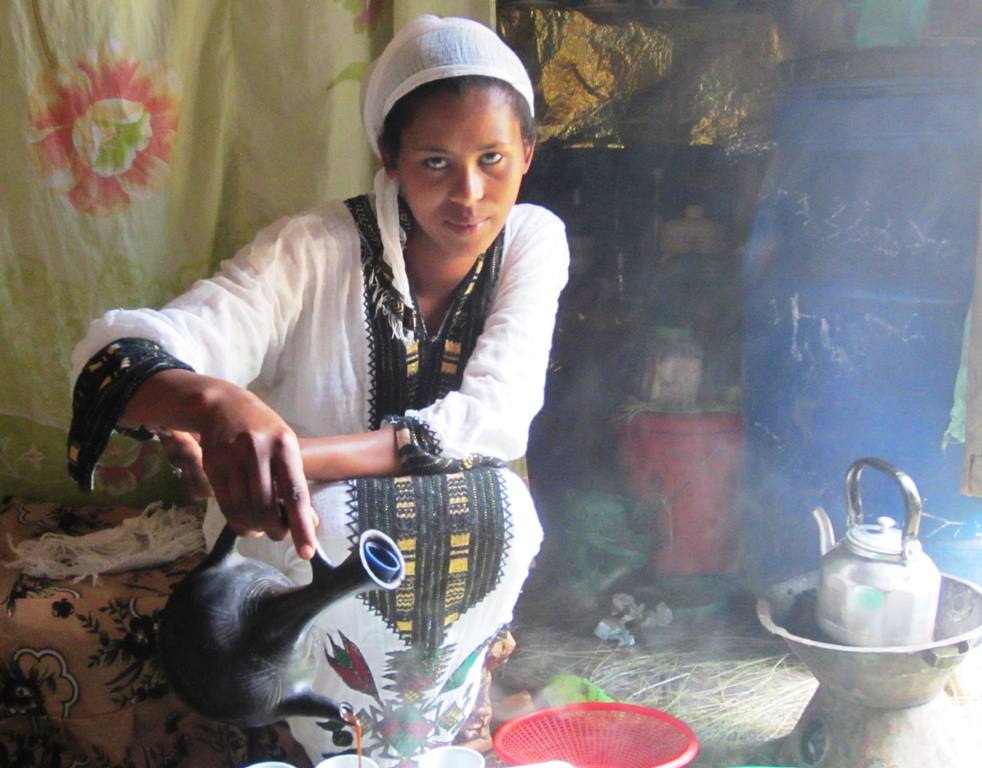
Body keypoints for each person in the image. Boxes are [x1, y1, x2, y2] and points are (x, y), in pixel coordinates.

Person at [67, 15, 568, 767]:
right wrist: (214, 406)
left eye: (493, 159)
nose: (470, 194)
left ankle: (435, 734)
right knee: (328, 522)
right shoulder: (310, 250)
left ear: (527, 154)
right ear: (389, 157)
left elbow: (494, 421)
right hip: (299, 557)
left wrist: (292, 455)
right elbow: (114, 353)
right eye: (436, 162)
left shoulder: (532, 239)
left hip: (448, 555)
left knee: (505, 507)